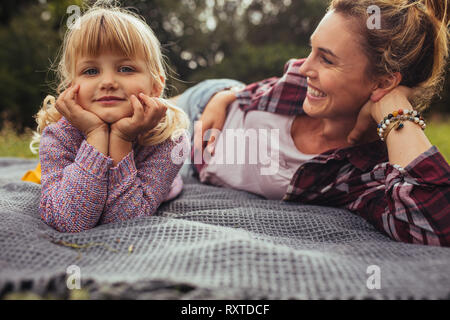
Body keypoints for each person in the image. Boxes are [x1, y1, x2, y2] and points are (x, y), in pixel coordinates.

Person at [170, 0, 450, 246]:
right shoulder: (300, 83)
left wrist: (395, 111)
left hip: (190, 164)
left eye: (326, 59)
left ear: (383, 82)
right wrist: (226, 96)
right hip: (202, 109)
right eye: (312, 50)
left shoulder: (364, 175)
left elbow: (436, 225)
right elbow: (254, 93)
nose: (304, 68)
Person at [26, 2, 190, 233]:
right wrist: (95, 134)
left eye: (125, 69)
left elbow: (124, 220)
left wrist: (121, 138)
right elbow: (69, 220)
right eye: (91, 71)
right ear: (72, 87)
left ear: (156, 86)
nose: (108, 82)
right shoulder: (58, 136)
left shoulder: (169, 140)